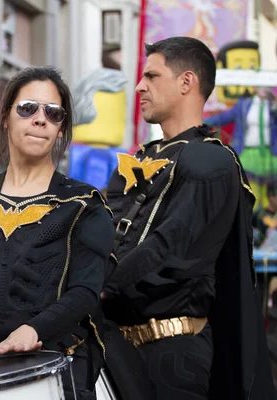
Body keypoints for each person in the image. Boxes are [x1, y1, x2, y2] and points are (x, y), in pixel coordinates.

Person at [102, 36, 275, 399]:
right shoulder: (140, 158)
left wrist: (96, 286)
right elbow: (98, 232)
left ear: (186, 82)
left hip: (171, 353)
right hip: (114, 349)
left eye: (151, 75)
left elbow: (170, 248)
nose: (139, 85)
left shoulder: (211, 160)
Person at [0, 66, 114, 400]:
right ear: (5, 117)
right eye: (28, 108)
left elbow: (86, 290)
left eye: (53, 113)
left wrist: (34, 330)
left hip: (53, 371)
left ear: (61, 130)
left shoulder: (84, 205)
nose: (40, 119)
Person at [204, 86, 277, 208]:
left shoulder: (272, 105)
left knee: (268, 194)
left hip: (270, 155)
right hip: (248, 154)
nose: (264, 89)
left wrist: (274, 104)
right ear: (254, 88)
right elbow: (224, 118)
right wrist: (200, 120)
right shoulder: (243, 105)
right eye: (260, 86)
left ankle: (267, 222)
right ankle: (251, 221)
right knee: (251, 190)